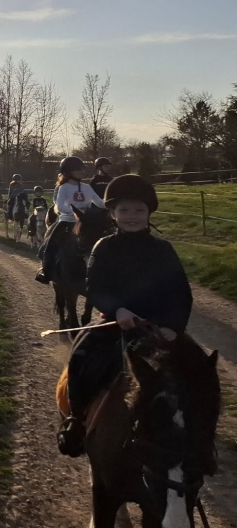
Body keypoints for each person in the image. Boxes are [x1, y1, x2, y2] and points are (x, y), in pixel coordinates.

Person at [57, 174, 192, 457]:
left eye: (139, 210)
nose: (132, 216)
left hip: (158, 328)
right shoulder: (103, 248)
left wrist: (173, 327)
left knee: (199, 371)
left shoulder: (163, 250)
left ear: (148, 213)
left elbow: (181, 293)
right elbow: (95, 287)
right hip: (114, 323)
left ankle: (200, 434)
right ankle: (76, 422)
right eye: (125, 211)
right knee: (80, 359)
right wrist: (117, 309)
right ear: (112, 214)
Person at [34, 157, 106, 284]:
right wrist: (73, 213)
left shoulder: (87, 187)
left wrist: (114, 205)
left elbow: (100, 203)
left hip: (86, 222)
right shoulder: (64, 188)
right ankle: (46, 270)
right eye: (78, 169)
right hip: (67, 221)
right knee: (51, 243)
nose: (82, 171)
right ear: (68, 172)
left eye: (82, 169)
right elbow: (60, 205)